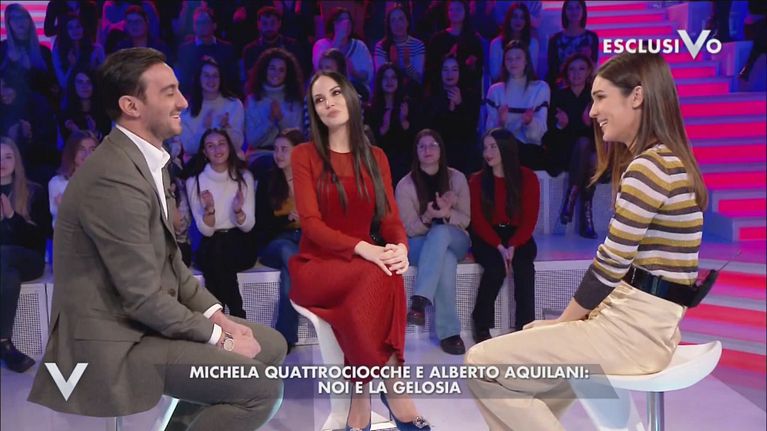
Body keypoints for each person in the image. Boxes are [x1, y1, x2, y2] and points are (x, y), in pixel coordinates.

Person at [28, 48, 286, 431]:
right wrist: (222, 339)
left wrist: (218, 319)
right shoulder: (112, 178)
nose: (183, 102)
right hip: (116, 337)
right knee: (260, 390)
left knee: (271, 345)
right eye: (169, 93)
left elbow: (172, 264)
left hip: (142, 320)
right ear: (131, 106)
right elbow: (142, 297)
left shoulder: (150, 161)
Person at [465, 52, 708, 431]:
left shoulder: (650, 167)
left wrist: (562, 324)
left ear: (637, 96)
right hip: (646, 329)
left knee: (482, 364)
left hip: (630, 334)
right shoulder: (671, 162)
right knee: (531, 397)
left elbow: (610, 265)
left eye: (600, 98)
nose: (592, 111)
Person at [289, 71, 431, 431]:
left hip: (360, 261)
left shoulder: (376, 157)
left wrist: (400, 248)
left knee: (387, 270)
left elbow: (390, 219)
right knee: (375, 271)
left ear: (351, 98)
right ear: (314, 111)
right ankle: (394, 391)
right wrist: (365, 248)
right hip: (317, 264)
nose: (328, 103)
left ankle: (362, 397)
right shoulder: (304, 155)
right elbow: (312, 225)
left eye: (335, 93)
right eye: (319, 99)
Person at [395, 129, 471, 355]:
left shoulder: (457, 179)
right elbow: (409, 229)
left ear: (441, 149)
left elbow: (465, 219)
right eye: (422, 146)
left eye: (432, 145)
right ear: (416, 152)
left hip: (455, 238)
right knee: (445, 258)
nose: (427, 150)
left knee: (441, 234)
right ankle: (450, 333)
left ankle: (420, 300)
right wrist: (428, 216)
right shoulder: (405, 185)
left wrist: (447, 214)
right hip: (420, 243)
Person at [469, 128, 539, 342]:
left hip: (518, 234)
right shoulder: (477, 180)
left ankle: (524, 326)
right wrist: (499, 246)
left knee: (524, 268)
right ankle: (481, 324)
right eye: (485, 148)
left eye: (493, 147)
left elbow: (530, 219)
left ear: (506, 148)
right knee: (495, 268)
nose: (487, 153)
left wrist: (513, 245)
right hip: (488, 235)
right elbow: (478, 221)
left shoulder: (527, 177)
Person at [186, 129, 257, 320]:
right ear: (204, 152)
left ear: (229, 147)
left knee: (219, 256)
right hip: (211, 242)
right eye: (211, 146)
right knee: (217, 251)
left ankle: (218, 319)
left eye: (221, 144)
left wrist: (238, 211)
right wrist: (209, 210)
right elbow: (206, 231)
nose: (217, 149)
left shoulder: (244, 176)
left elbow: (248, 226)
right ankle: (238, 315)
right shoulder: (195, 181)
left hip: (239, 241)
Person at [0, 138, 50, 373]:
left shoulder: (33, 191)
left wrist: (12, 217)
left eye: (8, 157)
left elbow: (38, 238)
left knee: (4, 255)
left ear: (16, 161)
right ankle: (5, 343)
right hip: (6, 267)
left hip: (30, 259)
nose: (2, 162)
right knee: (9, 276)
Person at [255, 128, 304, 352]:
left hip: (305, 238)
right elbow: (262, 225)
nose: (278, 154)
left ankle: (286, 336)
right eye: (276, 149)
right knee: (290, 255)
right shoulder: (268, 180)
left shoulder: (310, 180)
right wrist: (287, 219)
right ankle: (287, 334)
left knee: (290, 269)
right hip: (275, 242)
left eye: (285, 149)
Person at [544, 53, 598, 238]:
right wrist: (563, 125)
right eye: (572, 69)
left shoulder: (595, 97)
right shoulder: (559, 96)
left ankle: (571, 197)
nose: (576, 73)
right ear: (566, 73)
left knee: (590, 153)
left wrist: (589, 125)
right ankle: (586, 217)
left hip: (590, 150)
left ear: (589, 72)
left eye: (581, 69)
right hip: (565, 151)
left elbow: (603, 132)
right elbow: (550, 133)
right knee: (586, 150)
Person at [485, 40, 550, 170]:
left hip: (529, 149)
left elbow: (537, 136)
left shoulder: (540, 88)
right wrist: (501, 123)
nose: (513, 62)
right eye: (509, 59)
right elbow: (489, 133)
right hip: (501, 149)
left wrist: (529, 122)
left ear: (526, 61)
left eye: (518, 58)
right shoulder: (495, 90)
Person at [422, 55, 481, 175]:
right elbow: (432, 127)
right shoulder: (432, 97)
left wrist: (460, 104)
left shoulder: (469, 95)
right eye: (446, 70)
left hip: (464, 153)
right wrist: (449, 109)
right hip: (439, 151)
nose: (450, 74)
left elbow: (470, 127)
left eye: (454, 69)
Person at [180, 56, 244, 157]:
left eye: (215, 76)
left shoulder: (234, 104)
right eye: (206, 75)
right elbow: (189, 148)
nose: (211, 80)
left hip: (230, 159)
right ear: (199, 78)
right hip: (199, 160)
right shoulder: (187, 109)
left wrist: (226, 129)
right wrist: (205, 128)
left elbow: (237, 145)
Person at [365, 63, 418, 186]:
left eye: (393, 77)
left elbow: (414, 137)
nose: (389, 81)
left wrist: (403, 120)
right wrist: (384, 127)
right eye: (385, 77)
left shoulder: (406, 105)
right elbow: (370, 140)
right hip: (379, 161)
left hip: (404, 161)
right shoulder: (372, 108)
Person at [244, 48, 305, 152]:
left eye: (281, 70)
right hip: (261, 154)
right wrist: (270, 120)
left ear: (287, 74)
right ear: (265, 70)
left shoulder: (295, 100)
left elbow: (298, 138)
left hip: (290, 154)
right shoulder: (252, 100)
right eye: (272, 68)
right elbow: (251, 140)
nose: (276, 73)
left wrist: (281, 118)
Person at [175, 6, 239, 97]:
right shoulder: (185, 50)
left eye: (205, 22)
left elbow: (233, 79)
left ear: (214, 25)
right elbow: (183, 80)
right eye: (198, 23)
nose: (201, 26)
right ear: (194, 26)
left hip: (222, 97)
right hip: (193, 98)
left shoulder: (226, 49)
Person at [312, 7, 374, 100]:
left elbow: (368, 76)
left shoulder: (360, 46)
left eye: (348, 21)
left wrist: (353, 72)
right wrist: (338, 39)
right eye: (341, 20)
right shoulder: (321, 45)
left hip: (355, 91)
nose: (346, 24)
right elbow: (320, 70)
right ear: (334, 23)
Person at [425, 0, 484, 97]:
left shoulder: (473, 39)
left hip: (466, 92)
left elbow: (478, 71)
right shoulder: (438, 39)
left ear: (465, 11)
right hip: (440, 91)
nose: (454, 12)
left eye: (458, 9)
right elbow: (431, 68)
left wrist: (471, 65)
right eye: (451, 9)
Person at [241, 5, 311, 86]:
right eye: (265, 24)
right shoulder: (250, 50)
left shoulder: (292, 46)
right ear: (258, 25)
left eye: (273, 23)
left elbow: (300, 74)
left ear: (279, 24)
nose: (269, 27)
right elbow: (248, 78)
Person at [1, 3, 57, 101]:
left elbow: (52, 86)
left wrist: (31, 69)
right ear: (8, 22)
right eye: (14, 17)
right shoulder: (2, 48)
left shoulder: (44, 51)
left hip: (39, 104)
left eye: (23, 16)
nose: (20, 21)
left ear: (29, 20)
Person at [48, 130, 99, 228]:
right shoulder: (57, 183)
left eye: (92, 149)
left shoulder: (104, 182)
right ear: (72, 152)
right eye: (81, 149)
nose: (87, 154)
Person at [545, 0, 599, 87]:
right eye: (570, 8)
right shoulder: (555, 40)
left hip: (585, 87)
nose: (574, 11)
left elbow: (593, 67)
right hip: (561, 87)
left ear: (583, 11)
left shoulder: (591, 37)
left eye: (577, 7)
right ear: (565, 12)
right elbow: (552, 69)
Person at [373, 5, 427, 85]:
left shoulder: (418, 45)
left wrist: (407, 64)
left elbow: (418, 79)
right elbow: (381, 78)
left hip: (411, 88)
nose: (397, 24)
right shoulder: (381, 46)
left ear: (408, 22)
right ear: (389, 25)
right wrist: (394, 64)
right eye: (393, 20)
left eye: (401, 19)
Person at [51, 12, 105, 88]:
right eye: (70, 27)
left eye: (78, 26)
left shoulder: (97, 49)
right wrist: (72, 66)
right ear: (65, 31)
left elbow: (104, 76)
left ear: (83, 28)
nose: (75, 30)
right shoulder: (58, 52)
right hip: (70, 91)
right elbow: (63, 84)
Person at [489, 3, 539, 83]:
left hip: (525, 85)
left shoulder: (533, 43)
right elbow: (494, 74)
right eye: (515, 16)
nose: (518, 21)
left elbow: (532, 72)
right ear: (508, 19)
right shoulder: (496, 44)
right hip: (503, 85)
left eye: (522, 17)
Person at [58, 66, 112, 141]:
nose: (85, 86)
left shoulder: (104, 111)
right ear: (73, 85)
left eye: (88, 82)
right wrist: (77, 132)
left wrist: (95, 133)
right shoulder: (67, 116)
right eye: (80, 82)